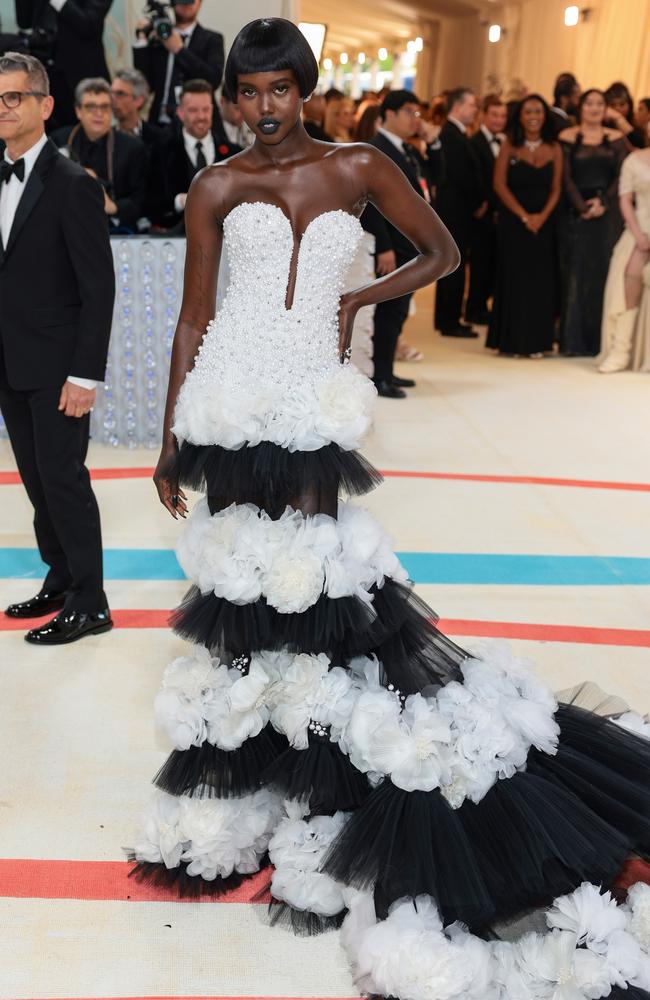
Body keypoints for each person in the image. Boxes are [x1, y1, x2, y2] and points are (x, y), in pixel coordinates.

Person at [128, 24, 650, 981]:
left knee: (318, 592)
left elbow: (443, 252)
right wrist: (169, 436)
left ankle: (326, 766)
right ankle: (271, 765)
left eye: (284, 87)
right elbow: (196, 313)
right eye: (252, 90)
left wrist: (358, 303)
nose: (268, 105)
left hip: (313, 409)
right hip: (228, 401)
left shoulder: (359, 165)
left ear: (307, 90)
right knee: (243, 599)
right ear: (236, 97)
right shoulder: (216, 185)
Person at [0, 52, 114, 643]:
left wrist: (84, 375)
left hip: (59, 367)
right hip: (10, 362)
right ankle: (62, 575)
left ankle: (91, 600)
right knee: (36, 480)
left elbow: (99, 288)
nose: (3, 108)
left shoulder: (73, 185)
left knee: (63, 478)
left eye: (13, 97)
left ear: (45, 106)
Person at [361, 89, 443, 397]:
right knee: (387, 311)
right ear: (389, 114)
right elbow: (369, 202)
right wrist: (384, 246)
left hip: (412, 243)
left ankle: (388, 371)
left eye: (417, 112)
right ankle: (379, 376)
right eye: (410, 111)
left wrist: (432, 143)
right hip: (393, 244)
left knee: (398, 311)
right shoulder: (375, 148)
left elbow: (436, 179)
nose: (415, 119)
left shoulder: (408, 149)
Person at [487, 94, 562, 356]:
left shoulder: (554, 148)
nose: (533, 116)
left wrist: (541, 216)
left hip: (545, 224)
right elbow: (499, 184)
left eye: (538, 111)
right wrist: (523, 216)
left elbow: (556, 188)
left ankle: (538, 342)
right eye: (528, 111)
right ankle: (512, 342)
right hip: (513, 223)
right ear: (520, 115)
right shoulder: (509, 144)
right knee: (514, 279)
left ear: (545, 116)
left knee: (541, 281)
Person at [558, 89, 628, 357]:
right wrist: (581, 206)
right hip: (575, 215)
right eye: (590, 103)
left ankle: (600, 342)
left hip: (607, 216)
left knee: (604, 274)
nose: (595, 108)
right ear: (581, 107)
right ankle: (573, 342)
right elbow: (564, 177)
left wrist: (604, 203)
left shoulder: (616, 139)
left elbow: (622, 176)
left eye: (600, 104)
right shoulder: (567, 137)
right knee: (575, 275)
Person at [52, 77, 149, 233]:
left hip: (113, 232)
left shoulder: (132, 148)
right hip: (64, 228)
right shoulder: (58, 140)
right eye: (91, 107)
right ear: (78, 110)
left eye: (105, 107)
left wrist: (112, 206)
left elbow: (141, 201)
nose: (98, 113)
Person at [149, 78, 238, 232]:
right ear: (180, 113)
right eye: (193, 110)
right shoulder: (160, 151)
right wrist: (179, 201)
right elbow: (150, 204)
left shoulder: (234, 153)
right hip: (175, 242)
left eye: (205, 110)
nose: (201, 117)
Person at [434, 87, 484, 337]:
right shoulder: (451, 135)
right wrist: (478, 200)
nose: (475, 110)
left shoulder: (456, 133)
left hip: (458, 208)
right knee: (454, 262)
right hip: (456, 209)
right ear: (459, 106)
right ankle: (449, 319)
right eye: (473, 105)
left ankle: (447, 317)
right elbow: (461, 176)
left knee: (453, 263)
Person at [598, 145, 650, 372]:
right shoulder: (633, 159)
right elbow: (625, 201)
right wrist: (639, 235)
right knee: (631, 273)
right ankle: (621, 350)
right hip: (639, 226)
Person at [133, 0, 224, 126]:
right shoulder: (158, 38)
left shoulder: (212, 39)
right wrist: (142, 39)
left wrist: (179, 50)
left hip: (197, 124)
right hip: (160, 124)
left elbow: (213, 80)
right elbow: (145, 84)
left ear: (200, 2)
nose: (186, 3)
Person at [465, 94, 507, 325]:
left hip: (501, 213)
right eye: (494, 115)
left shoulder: (507, 142)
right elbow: (479, 179)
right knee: (480, 262)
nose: (498, 120)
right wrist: (486, 204)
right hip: (483, 212)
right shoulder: (475, 142)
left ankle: (483, 306)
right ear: (483, 115)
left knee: (492, 262)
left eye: (502, 116)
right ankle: (474, 308)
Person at [44, 0, 113, 130]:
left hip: (83, 79)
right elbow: (24, 21)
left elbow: (89, 25)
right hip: (47, 76)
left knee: (87, 137)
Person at [604, 82, 646, 149]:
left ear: (629, 105)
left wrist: (620, 119)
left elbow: (641, 144)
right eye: (613, 105)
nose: (617, 108)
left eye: (622, 104)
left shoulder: (637, 124)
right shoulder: (602, 125)